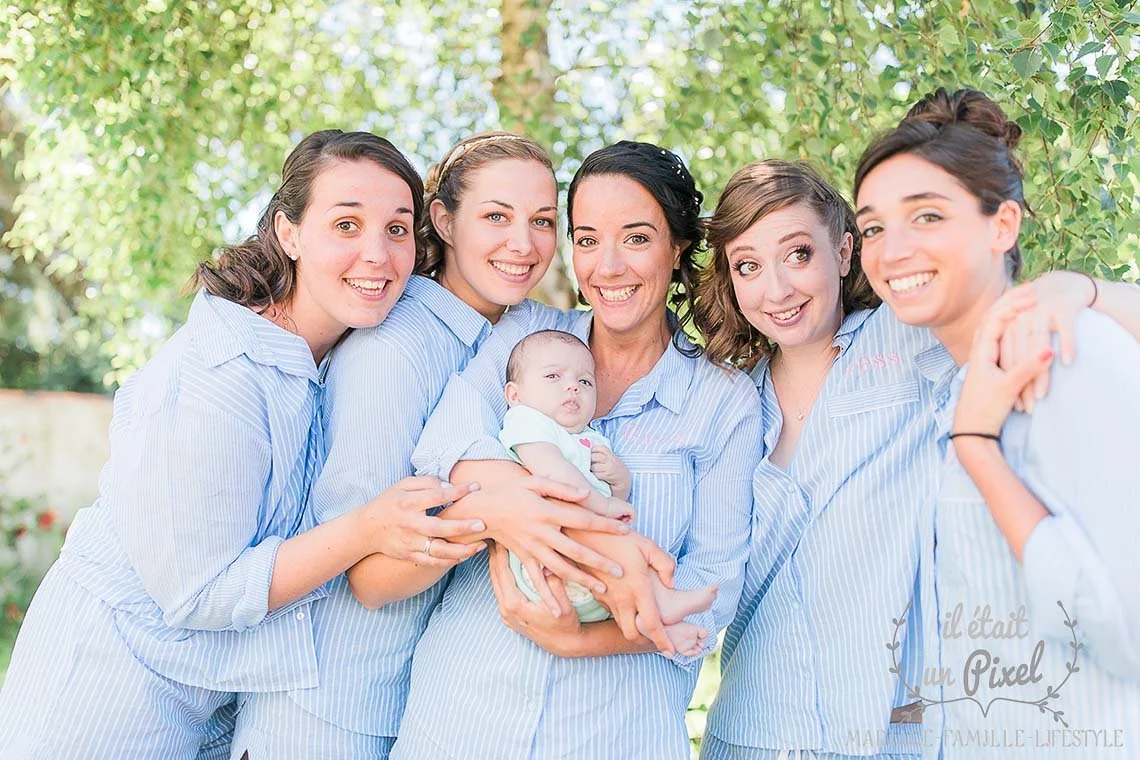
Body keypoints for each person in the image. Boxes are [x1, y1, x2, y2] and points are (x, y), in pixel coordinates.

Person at [0, 130, 465, 759]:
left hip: (209, 701)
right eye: (346, 225)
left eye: (397, 229)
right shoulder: (220, 375)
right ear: (290, 233)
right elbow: (201, 591)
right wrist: (368, 528)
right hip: (103, 693)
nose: (377, 255)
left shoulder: (330, 358)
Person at [693, 158, 1140, 760]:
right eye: (747, 266)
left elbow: (996, 299)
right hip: (748, 732)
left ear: (844, 252)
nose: (776, 290)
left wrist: (1074, 289)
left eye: (798, 254)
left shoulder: (902, 340)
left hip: (887, 736)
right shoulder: (728, 400)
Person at [229, 132, 631, 759]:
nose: (523, 245)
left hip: (417, 704)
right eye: (496, 217)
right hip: (326, 708)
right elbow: (363, 577)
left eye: (542, 221)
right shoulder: (393, 349)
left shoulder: (518, 333)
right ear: (442, 221)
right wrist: (490, 514)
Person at [386, 141, 764, 760]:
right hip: (460, 719)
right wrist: (584, 528)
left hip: (614, 733)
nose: (607, 267)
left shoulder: (723, 399)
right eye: (587, 239)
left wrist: (581, 639)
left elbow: (713, 588)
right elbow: (447, 447)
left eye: (636, 238)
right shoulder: (526, 332)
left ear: (677, 246)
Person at [853, 87, 1140, 758]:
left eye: (927, 216)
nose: (891, 251)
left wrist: (977, 449)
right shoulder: (950, 383)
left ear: (1002, 225)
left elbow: (1127, 629)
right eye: (872, 228)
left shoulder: (1065, 356)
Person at [499, 328, 717, 654]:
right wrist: (602, 505)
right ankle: (660, 609)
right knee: (622, 548)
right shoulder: (527, 421)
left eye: (585, 381)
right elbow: (551, 471)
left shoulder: (590, 440)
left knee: (625, 557)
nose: (572, 386)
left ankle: (659, 620)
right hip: (547, 562)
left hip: (592, 574)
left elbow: (615, 504)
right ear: (515, 394)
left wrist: (620, 482)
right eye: (553, 376)